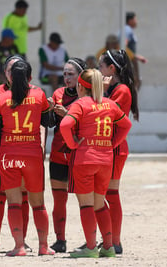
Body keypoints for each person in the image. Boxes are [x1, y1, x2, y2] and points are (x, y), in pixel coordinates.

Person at [60, 69, 132, 258]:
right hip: (105, 159)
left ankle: (91, 247)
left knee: (86, 205)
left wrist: (73, 143)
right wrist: (112, 142)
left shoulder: (81, 104)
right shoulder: (109, 104)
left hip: (84, 159)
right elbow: (126, 125)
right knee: (100, 203)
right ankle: (108, 247)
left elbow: (65, 125)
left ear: (81, 86)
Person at [0, 60, 54, 257]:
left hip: (9, 155)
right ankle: (44, 246)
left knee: (14, 203)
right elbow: (48, 123)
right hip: (32, 155)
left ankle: (19, 246)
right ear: (30, 78)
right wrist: (50, 108)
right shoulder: (39, 95)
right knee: (38, 204)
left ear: (9, 77)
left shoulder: (0, 99)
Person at [0, 54, 31, 254]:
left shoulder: (32, 93)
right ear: (5, 73)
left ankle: (22, 240)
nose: (13, 73)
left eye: (17, 69)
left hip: (22, 150)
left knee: (23, 196)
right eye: (10, 70)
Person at [98, 49, 139, 255]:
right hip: (108, 146)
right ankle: (109, 238)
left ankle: (115, 240)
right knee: (104, 194)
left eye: (101, 67)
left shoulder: (121, 90)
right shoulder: (115, 89)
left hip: (115, 146)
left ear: (111, 68)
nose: (99, 70)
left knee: (111, 194)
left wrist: (102, 92)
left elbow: (106, 113)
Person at [46, 58, 86, 253]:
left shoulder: (88, 96)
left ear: (81, 76)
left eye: (71, 74)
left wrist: (65, 113)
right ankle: (60, 240)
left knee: (84, 199)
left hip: (79, 154)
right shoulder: (58, 94)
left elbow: (84, 122)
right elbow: (52, 122)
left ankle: (91, 240)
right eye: (64, 74)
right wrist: (48, 110)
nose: (66, 77)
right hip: (58, 153)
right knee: (59, 200)